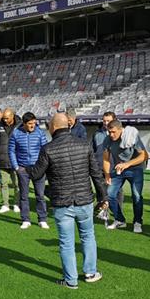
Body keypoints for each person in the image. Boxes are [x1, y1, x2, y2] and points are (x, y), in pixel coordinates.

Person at [27, 113, 108, 288]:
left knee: (66, 242)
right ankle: (91, 272)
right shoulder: (84, 145)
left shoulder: (48, 149)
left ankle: (70, 280)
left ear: (53, 127)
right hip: (84, 200)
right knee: (88, 236)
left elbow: (36, 174)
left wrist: (25, 167)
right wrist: (103, 198)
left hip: (62, 203)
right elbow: (96, 174)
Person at [102, 120, 148, 233]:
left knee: (136, 196)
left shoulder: (132, 135)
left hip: (135, 168)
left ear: (120, 130)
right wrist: (107, 174)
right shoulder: (107, 139)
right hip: (119, 169)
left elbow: (144, 156)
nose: (111, 135)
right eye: (109, 132)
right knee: (110, 194)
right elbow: (106, 159)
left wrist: (127, 164)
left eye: (113, 132)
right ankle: (120, 220)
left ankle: (137, 222)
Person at [9, 112, 49, 229]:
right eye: (30, 123)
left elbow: (45, 150)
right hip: (23, 169)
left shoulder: (40, 133)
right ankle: (25, 219)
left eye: (34, 123)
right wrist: (16, 167)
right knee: (24, 196)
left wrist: (43, 166)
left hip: (38, 168)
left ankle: (42, 219)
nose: (33, 125)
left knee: (40, 195)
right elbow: (11, 151)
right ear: (24, 123)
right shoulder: (16, 133)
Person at [92, 111, 120, 219]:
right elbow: (93, 149)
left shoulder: (119, 133)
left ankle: (114, 211)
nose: (105, 123)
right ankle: (103, 209)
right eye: (104, 121)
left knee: (114, 190)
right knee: (101, 189)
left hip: (114, 166)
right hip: (99, 166)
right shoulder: (97, 134)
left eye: (108, 120)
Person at [0, 108, 21, 214]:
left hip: (16, 160)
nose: (4, 120)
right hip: (2, 159)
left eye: (6, 118)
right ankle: (5, 205)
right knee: (3, 184)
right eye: (3, 118)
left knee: (17, 184)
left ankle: (17, 204)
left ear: (12, 116)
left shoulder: (20, 126)